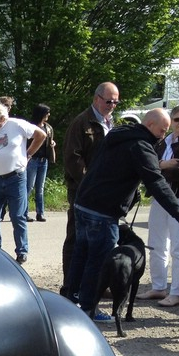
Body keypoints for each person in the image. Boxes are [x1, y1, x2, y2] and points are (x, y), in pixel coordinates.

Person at [67, 108, 179, 321]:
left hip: (84, 202)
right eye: (162, 130)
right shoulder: (141, 146)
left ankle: (71, 302)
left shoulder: (117, 135)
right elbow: (157, 182)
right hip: (103, 211)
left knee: (81, 255)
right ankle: (87, 310)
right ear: (150, 125)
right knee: (97, 262)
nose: (163, 135)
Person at [139, 103, 179, 307]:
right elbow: (145, 165)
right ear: (171, 120)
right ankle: (158, 287)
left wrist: (158, 167)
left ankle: (177, 292)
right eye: (177, 119)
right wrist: (164, 164)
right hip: (160, 198)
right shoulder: (161, 141)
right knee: (156, 245)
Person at [61, 82, 120, 297]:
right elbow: (72, 158)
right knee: (77, 238)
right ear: (96, 99)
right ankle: (70, 287)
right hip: (82, 190)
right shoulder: (81, 122)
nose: (112, 106)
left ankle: (94, 285)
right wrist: (89, 183)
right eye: (108, 101)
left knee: (100, 241)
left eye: (116, 102)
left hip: (103, 192)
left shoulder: (110, 122)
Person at [0, 101, 46, 264]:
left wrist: (28, 154)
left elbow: (41, 135)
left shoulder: (17, 125)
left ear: (2, 119)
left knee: (17, 216)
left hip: (15, 178)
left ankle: (21, 251)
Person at [26, 103, 55, 222]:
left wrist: (52, 144)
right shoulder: (30, 127)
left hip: (44, 160)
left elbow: (50, 141)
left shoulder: (48, 128)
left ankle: (40, 213)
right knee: (29, 187)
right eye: (47, 112)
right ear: (41, 113)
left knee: (40, 188)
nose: (49, 114)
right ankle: (24, 213)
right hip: (32, 160)